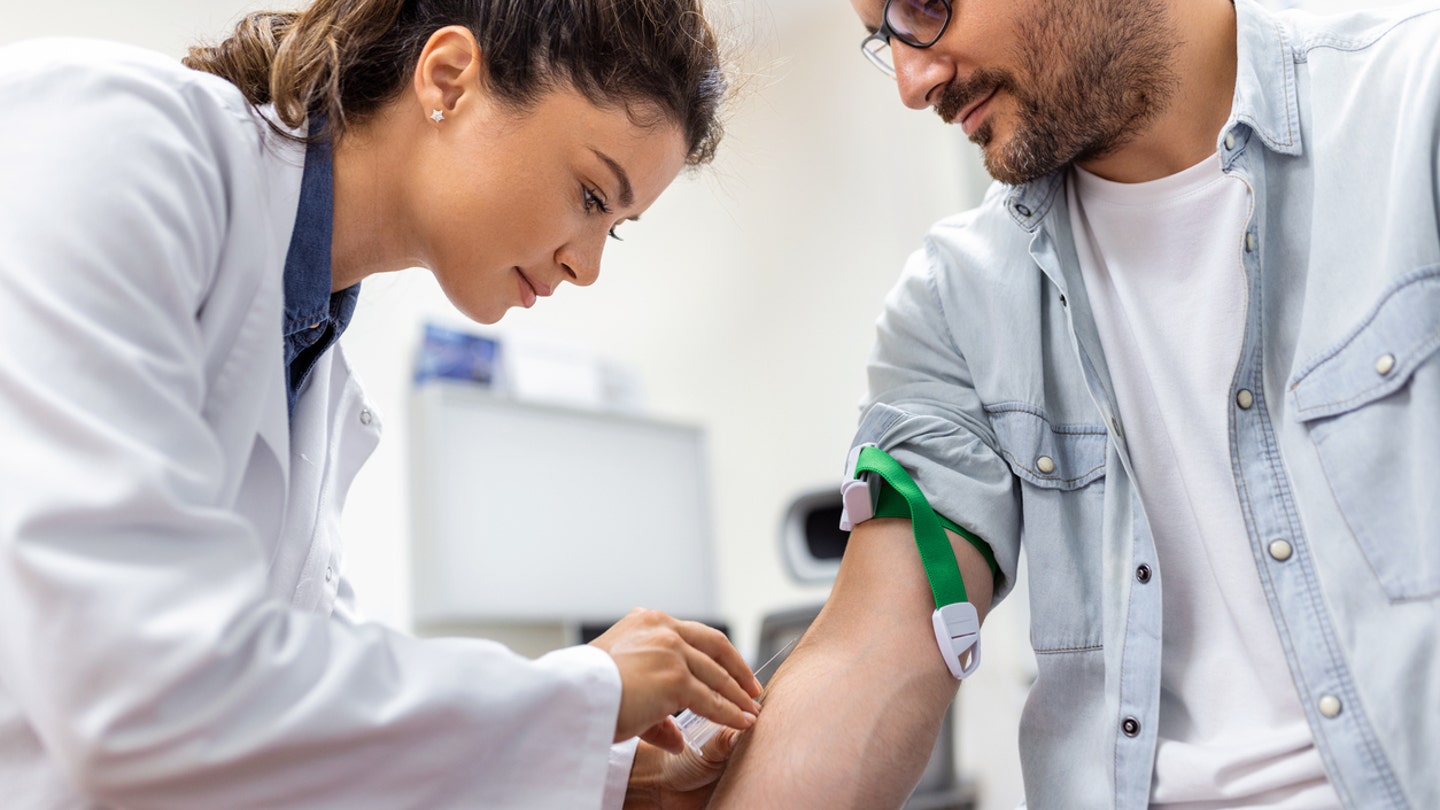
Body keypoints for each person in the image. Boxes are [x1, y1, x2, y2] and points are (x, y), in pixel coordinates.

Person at [0, 1, 764, 807]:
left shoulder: (315, 375)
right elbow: (141, 695)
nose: (587, 267)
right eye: (588, 195)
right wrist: (587, 691)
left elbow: (296, 727)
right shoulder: (112, 138)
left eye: (617, 228)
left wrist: (607, 775)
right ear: (449, 80)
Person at [711, 0, 1440, 807]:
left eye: (920, 7)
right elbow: (869, 655)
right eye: (886, 41)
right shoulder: (956, 304)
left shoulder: (1414, 106)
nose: (913, 84)